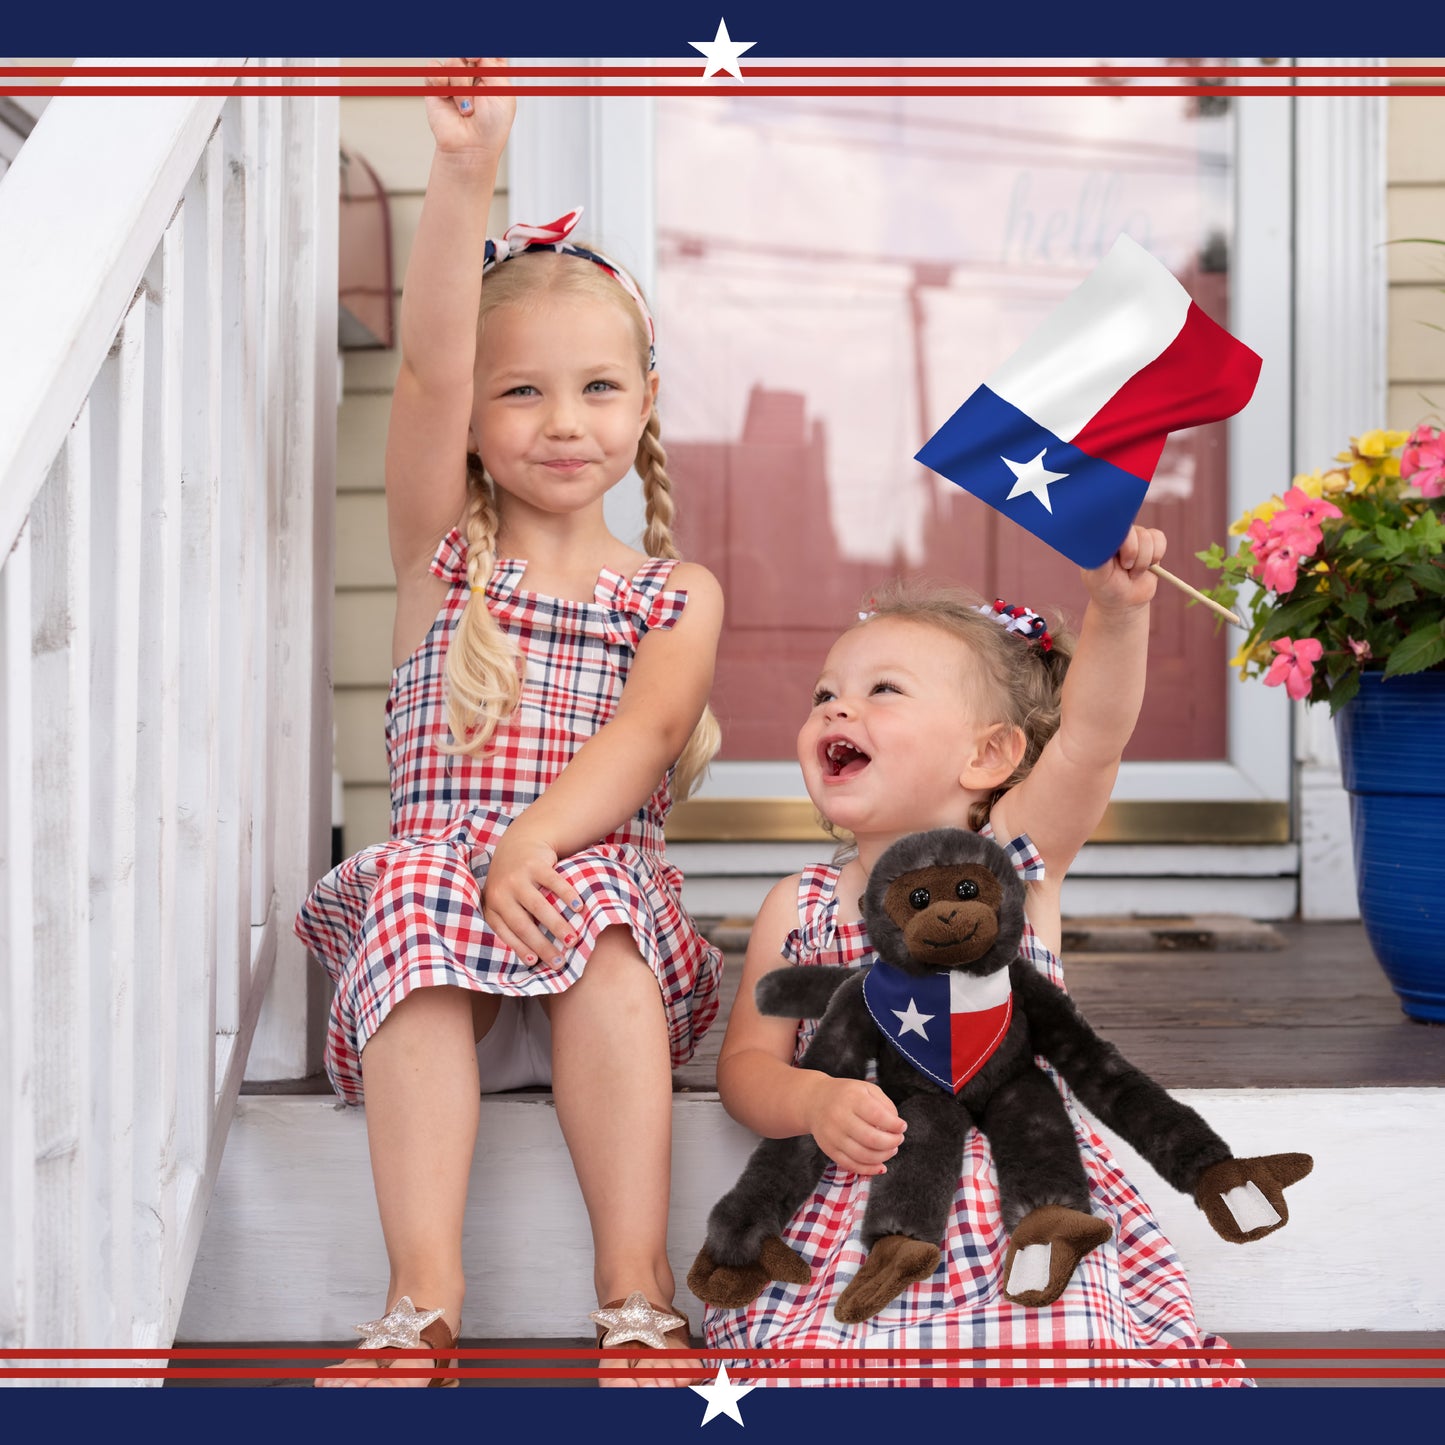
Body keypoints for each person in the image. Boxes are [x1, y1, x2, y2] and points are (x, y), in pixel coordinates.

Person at [296, 57, 724, 1387]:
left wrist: (533, 841)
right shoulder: (442, 558)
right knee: (415, 879)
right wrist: (464, 168)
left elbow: (643, 738)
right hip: (443, 948)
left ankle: (635, 1291)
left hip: (591, 937)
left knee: (596, 909)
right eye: (521, 391)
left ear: (644, 401)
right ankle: (421, 1299)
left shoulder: (671, 592)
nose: (563, 421)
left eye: (597, 388)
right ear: (476, 423)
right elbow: (427, 367)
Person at [701, 527, 1250, 1387]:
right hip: (858, 1203)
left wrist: (1116, 611)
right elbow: (743, 1068)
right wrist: (811, 1098)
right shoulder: (797, 905)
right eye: (824, 694)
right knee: (829, 1364)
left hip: (1019, 1194)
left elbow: (1090, 741)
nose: (836, 710)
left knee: (1055, 1348)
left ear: (987, 753)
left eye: (882, 690)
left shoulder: (1011, 863)